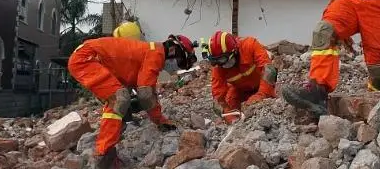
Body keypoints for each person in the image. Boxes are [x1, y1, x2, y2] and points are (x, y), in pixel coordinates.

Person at [68, 33, 197, 168]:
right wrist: (160, 121)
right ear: (174, 51)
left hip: (87, 57)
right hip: (86, 59)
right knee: (119, 99)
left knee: (120, 97)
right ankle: (104, 154)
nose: (178, 68)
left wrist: (159, 119)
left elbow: (146, 90)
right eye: (181, 63)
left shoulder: (151, 52)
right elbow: (146, 95)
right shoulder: (156, 55)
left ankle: (113, 134)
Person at [208, 31, 277, 124]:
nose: (222, 65)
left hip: (262, 83)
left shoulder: (249, 45)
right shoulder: (218, 67)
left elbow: (269, 70)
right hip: (240, 90)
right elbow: (217, 98)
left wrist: (262, 94)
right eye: (217, 62)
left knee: (268, 103)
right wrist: (226, 113)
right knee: (231, 106)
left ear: (234, 51)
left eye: (223, 60)